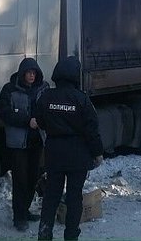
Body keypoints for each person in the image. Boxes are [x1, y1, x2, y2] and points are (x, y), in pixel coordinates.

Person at [35, 56, 103, 241]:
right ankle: (71, 236)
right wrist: (97, 153)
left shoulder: (46, 96)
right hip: (77, 155)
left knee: (51, 196)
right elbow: (91, 130)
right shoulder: (82, 99)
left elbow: (39, 121)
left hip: (54, 153)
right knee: (74, 198)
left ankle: (44, 233)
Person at [0, 57, 49, 231]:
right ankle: (18, 217)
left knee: (33, 178)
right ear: (22, 74)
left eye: (34, 73)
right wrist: (28, 121)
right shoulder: (9, 89)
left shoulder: (43, 89)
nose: (32, 76)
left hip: (37, 142)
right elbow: (5, 113)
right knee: (20, 180)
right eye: (29, 73)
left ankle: (25, 210)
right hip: (18, 144)